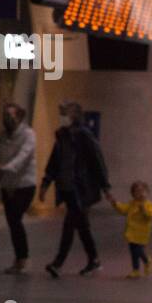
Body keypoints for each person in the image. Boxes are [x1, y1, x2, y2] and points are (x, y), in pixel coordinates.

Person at [39, 101, 110, 277]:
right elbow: (54, 162)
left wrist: (105, 186)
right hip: (67, 188)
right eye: (61, 113)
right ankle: (93, 259)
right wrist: (46, 184)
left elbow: (97, 161)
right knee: (81, 226)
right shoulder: (61, 137)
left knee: (70, 225)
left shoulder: (84, 136)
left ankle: (59, 262)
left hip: (81, 189)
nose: (62, 117)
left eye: (65, 114)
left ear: (74, 116)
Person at [0, 102, 37, 273]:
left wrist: (7, 167)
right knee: (12, 221)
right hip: (7, 185)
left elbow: (23, 156)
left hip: (24, 184)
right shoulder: (2, 136)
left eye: (10, 116)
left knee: (15, 219)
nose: (6, 120)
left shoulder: (28, 135)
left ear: (19, 117)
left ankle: (23, 258)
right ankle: (20, 258)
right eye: (4, 116)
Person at [105, 181, 152, 279]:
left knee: (138, 249)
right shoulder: (132, 204)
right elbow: (123, 209)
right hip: (132, 232)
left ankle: (147, 261)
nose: (140, 193)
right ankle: (135, 270)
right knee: (133, 252)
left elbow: (150, 215)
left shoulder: (148, 204)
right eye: (137, 192)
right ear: (133, 194)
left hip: (142, 232)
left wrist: (143, 208)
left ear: (147, 192)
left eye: (142, 191)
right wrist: (115, 203)